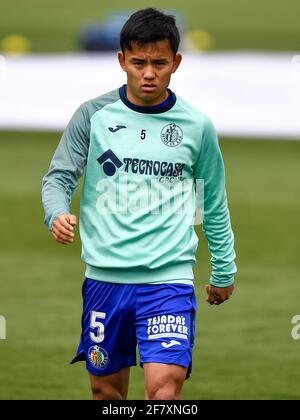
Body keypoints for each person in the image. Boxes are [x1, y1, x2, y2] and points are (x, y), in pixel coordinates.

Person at [42, 7, 237, 400]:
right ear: (121, 61)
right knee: (106, 396)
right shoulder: (93, 116)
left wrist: (223, 268)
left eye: (159, 63)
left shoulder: (196, 127)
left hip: (168, 279)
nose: (149, 73)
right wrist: (57, 211)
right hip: (105, 280)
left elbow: (212, 202)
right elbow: (59, 177)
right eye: (139, 62)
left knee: (164, 392)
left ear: (176, 63)